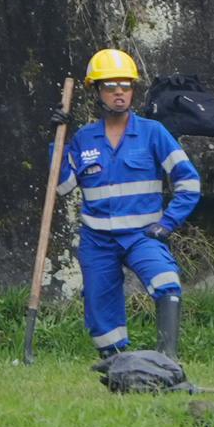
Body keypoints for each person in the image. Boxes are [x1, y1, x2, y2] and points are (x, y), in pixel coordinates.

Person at [62, 45, 202, 366]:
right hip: (97, 240)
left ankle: (167, 361)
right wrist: (57, 139)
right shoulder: (84, 139)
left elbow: (189, 183)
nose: (119, 93)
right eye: (110, 87)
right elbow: (63, 186)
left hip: (142, 235)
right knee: (100, 307)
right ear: (97, 92)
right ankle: (117, 364)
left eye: (125, 85)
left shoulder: (154, 133)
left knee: (167, 282)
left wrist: (167, 223)